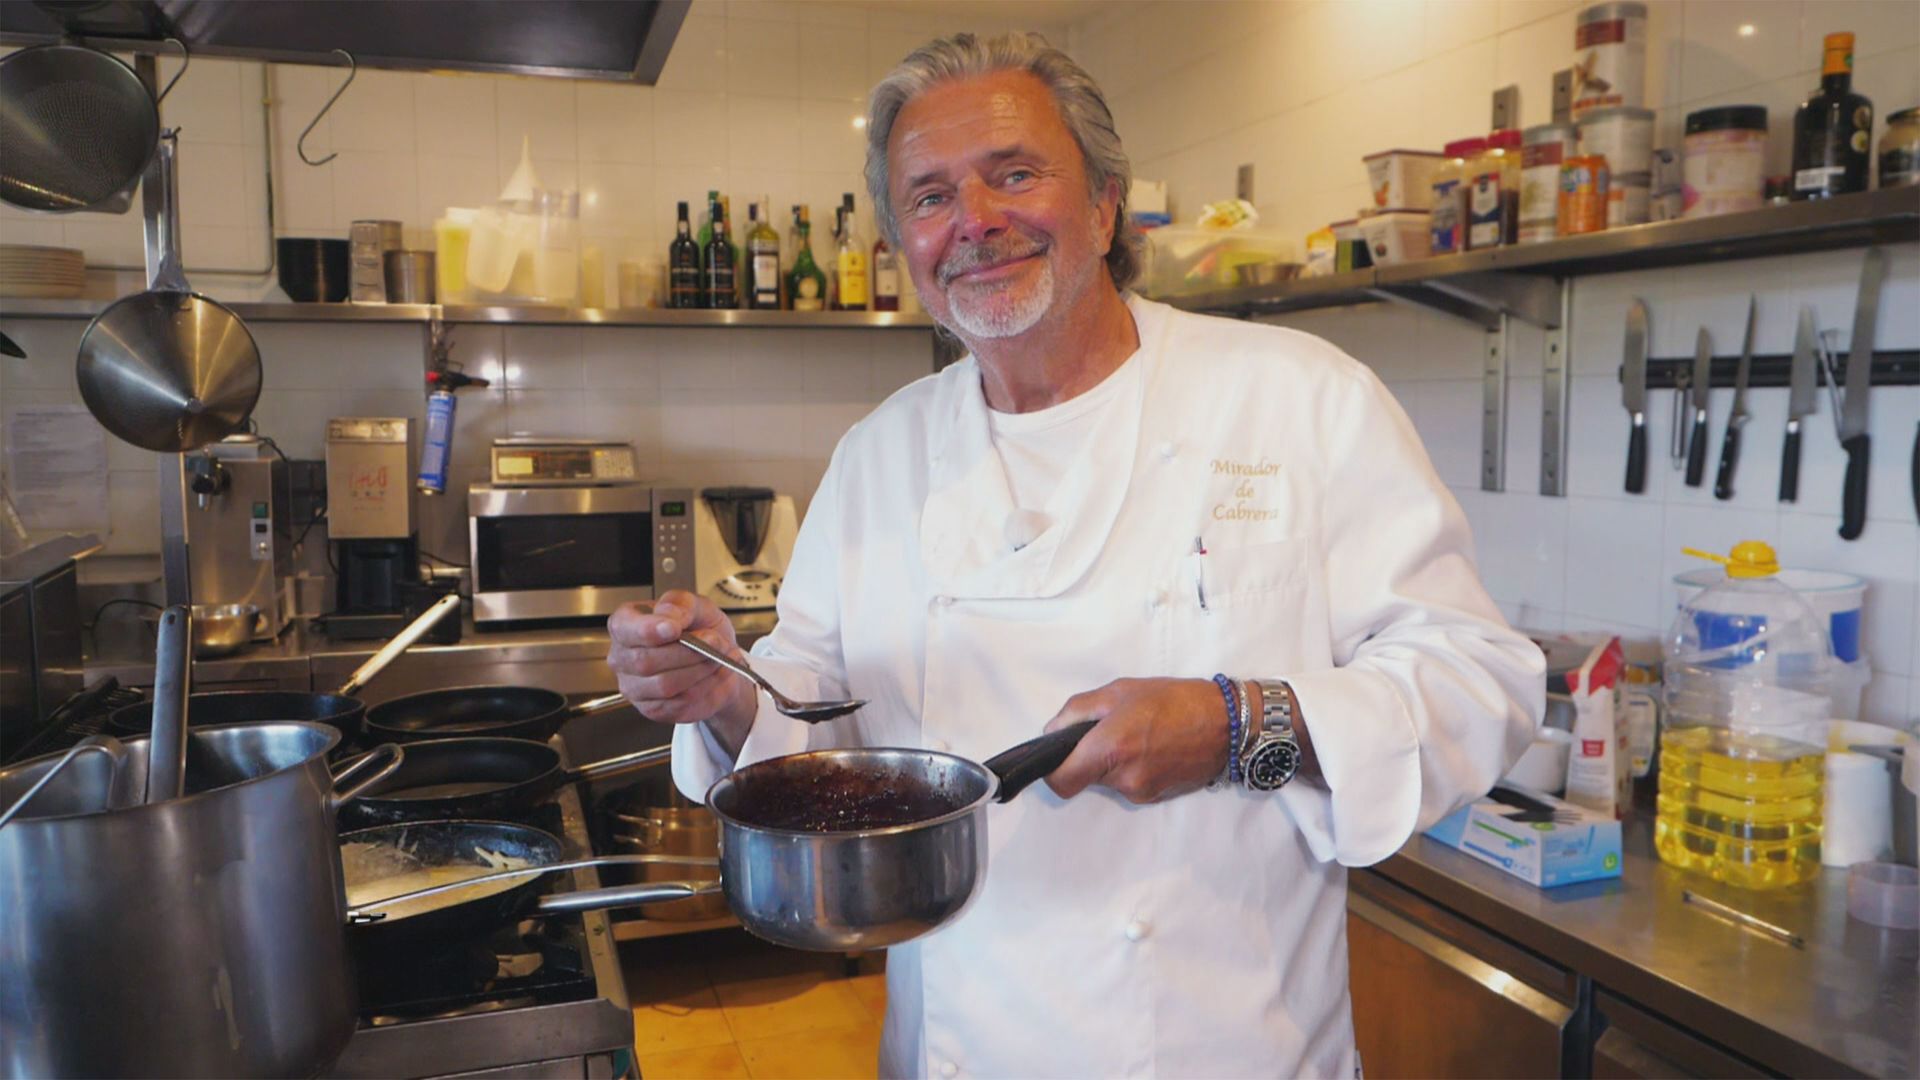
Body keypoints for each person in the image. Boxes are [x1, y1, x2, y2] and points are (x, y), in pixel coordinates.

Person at [609, 32, 1543, 1078]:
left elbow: (1481, 680)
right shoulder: (881, 453)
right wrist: (720, 689)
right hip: (957, 1043)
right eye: (929, 197)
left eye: (1014, 173)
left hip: (1223, 1049)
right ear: (903, 245)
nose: (974, 222)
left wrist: (1237, 724)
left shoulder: (1301, 399)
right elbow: (816, 707)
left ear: (1104, 205)